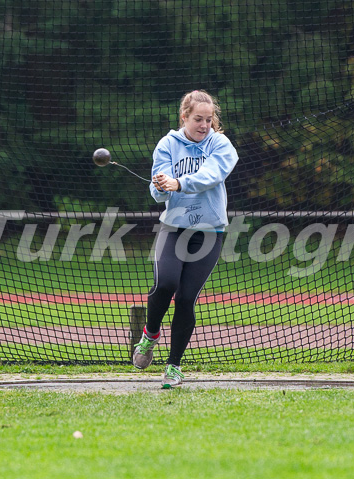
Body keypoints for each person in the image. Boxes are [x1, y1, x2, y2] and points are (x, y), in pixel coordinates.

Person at [132, 90, 239, 388]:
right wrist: (162, 185)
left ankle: (173, 366)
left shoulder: (220, 144)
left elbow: (212, 175)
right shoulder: (168, 144)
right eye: (197, 119)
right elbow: (158, 193)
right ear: (184, 118)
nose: (204, 125)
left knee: (186, 298)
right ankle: (150, 335)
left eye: (208, 119)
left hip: (209, 232)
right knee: (165, 283)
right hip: (173, 229)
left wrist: (179, 182)